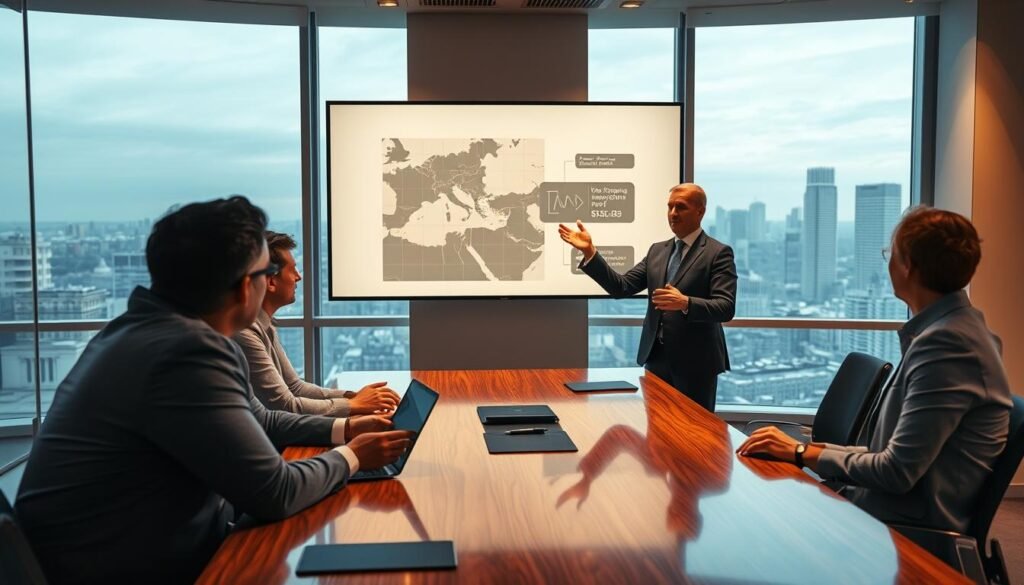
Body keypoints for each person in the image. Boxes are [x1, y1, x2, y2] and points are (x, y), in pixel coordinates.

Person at [14, 197, 414, 585]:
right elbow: (274, 492)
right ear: (245, 287)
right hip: (125, 569)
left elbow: (262, 419)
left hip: (111, 554)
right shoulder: (186, 352)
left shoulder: (138, 330)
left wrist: (348, 429)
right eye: (265, 272)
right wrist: (353, 457)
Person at [738, 206, 1012, 534]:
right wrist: (812, 450)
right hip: (888, 508)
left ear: (907, 265)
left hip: (902, 529)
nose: (889, 264)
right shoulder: (955, 329)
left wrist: (800, 452)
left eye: (890, 254)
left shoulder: (948, 345)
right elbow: (889, 453)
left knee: (756, 519)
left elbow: (896, 472)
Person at [558, 183, 737, 411]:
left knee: (693, 436)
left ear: (700, 211)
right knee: (657, 434)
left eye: (680, 207)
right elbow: (621, 287)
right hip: (656, 360)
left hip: (696, 364)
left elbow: (725, 307)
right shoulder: (657, 251)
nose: (673, 213)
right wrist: (590, 253)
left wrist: (686, 303)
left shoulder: (717, 253)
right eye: (670, 207)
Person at [234, 231, 400, 416]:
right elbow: (284, 405)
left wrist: (352, 397)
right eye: (293, 270)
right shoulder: (245, 332)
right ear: (271, 281)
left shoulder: (265, 325)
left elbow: (295, 387)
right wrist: (354, 405)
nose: (299, 277)